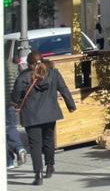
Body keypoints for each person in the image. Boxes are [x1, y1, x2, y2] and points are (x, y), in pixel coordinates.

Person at [10, 50, 76, 185]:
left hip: (31, 116)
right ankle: (50, 166)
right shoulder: (53, 73)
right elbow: (64, 89)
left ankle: (38, 174)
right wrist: (71, 105)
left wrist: (17, 101)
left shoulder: (24, 76)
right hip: (50, 113)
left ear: (29, 64)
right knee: (49, 140)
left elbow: (15, 96)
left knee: (35, 146)